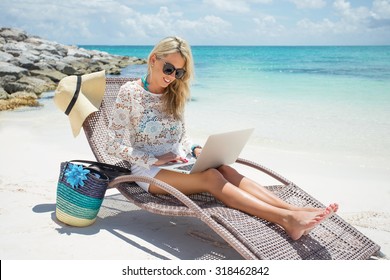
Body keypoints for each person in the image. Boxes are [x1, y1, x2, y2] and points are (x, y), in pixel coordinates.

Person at [107, 36, 338, 240]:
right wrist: (151, 159)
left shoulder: (174, 94)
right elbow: (112, 145)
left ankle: (293, 210)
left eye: (179, 72)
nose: (172, 77)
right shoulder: (130, 92)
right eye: (169, 69)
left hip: (179, 163)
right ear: (153, 59)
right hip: (148, 172)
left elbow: (181, 135)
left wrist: (195, 149)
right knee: (212, 178)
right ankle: (287, 220)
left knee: (225, 169)